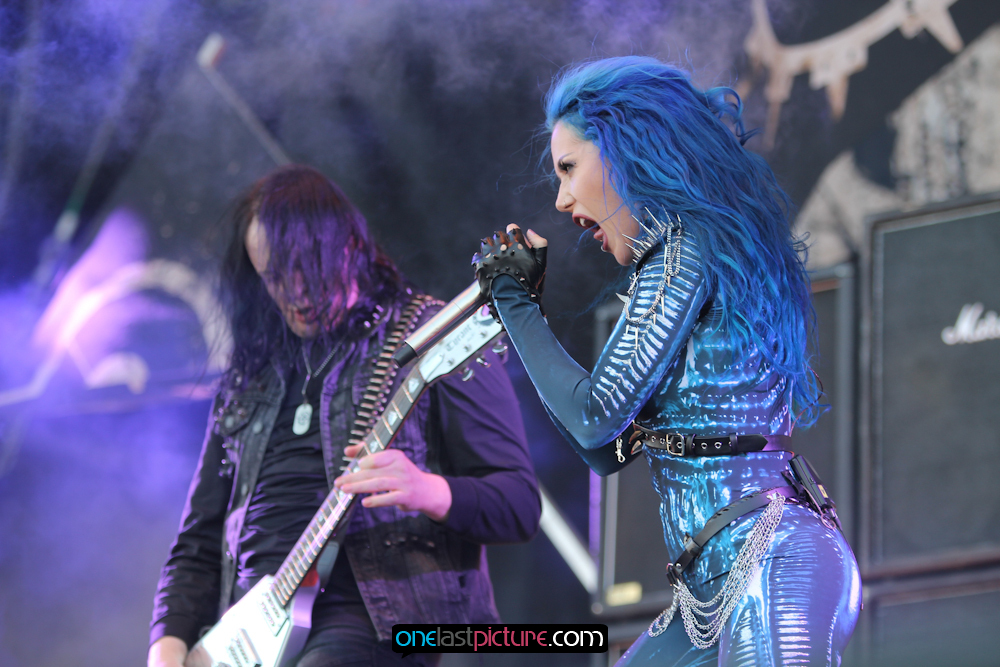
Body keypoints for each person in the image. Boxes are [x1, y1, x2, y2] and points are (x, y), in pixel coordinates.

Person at [474, 57, 860, 666]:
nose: (564, 199)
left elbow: (595, 416)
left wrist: (516, 303)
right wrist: (519, 308)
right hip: (709, 584)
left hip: (771, 560)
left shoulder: (686, 247)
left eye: (570, 168)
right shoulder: (681, 254)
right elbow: (604, 450)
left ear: (624, 150)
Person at [149, 165, 540, 667]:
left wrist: (425, 489)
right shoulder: (250, 376)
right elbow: (197, 544)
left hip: (381, 625)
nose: (296, 292)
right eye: (274, 277)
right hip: (243, 640)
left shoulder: (433, 334)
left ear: (352, 248)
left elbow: (518, 503)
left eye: (308, 269)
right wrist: (166, 649)